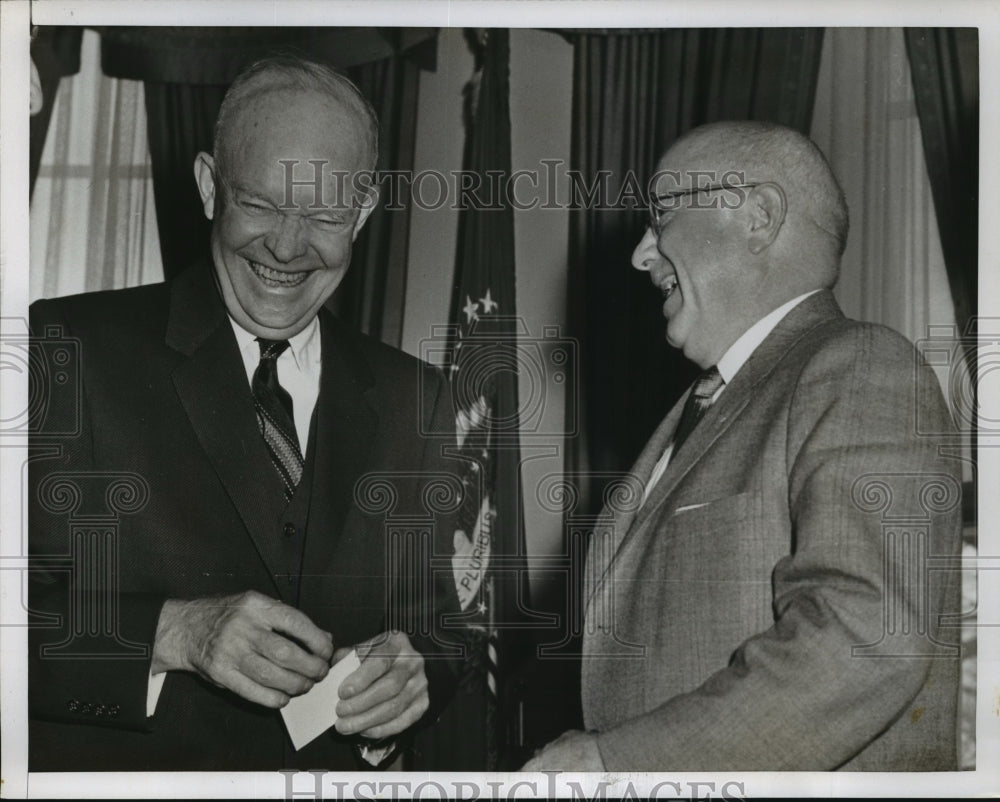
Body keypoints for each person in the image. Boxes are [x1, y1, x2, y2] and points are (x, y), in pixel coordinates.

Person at [28, 56, 461, 771]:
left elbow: (437, 628)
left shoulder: (418, 398)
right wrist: (174, 634)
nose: (287, 248)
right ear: (209, 187)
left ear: (363, 210)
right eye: (259, 203)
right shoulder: (66, 349)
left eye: (323, 214)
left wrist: (413, 685)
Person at [522, 121, 963, 771]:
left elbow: (867, 638)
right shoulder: (703, 405)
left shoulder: (863, 365)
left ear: (758, 217)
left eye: (663, 215)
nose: (642, 254)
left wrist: (617, 764)